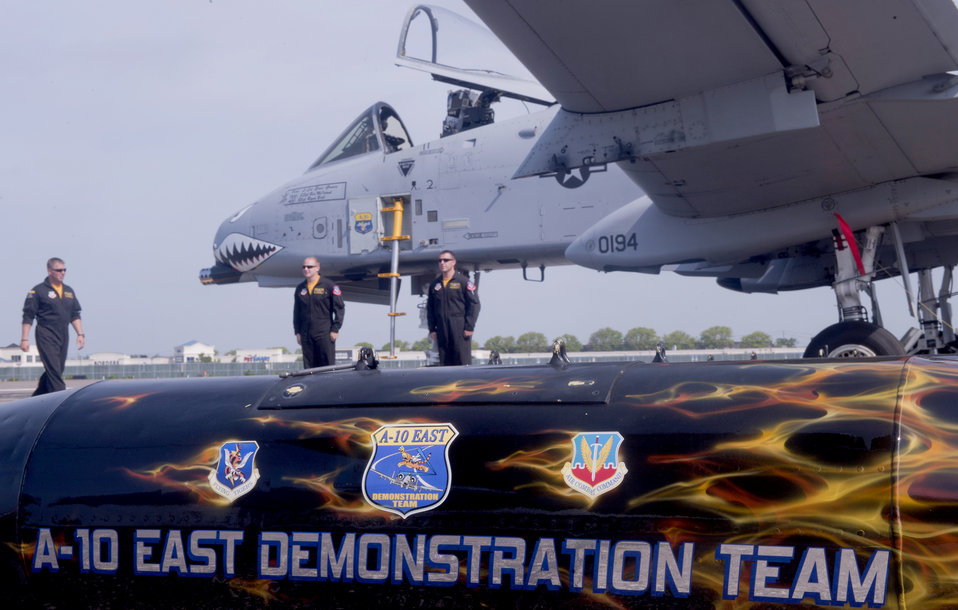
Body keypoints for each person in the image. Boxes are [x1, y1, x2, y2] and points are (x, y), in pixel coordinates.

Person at [21, 257, 84, 396]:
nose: (62, 273)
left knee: (56, 369)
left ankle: (36, 399)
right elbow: (28, 315)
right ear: (50, 271)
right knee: (54, 371)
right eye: (59, 270)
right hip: (46, 335)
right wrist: (24, 339)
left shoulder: (68, 291)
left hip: (63, 334)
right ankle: (61, 400)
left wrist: (80, 334)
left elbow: (74, 314)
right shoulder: (38, 291)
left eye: (64, 270)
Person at [427, 250, 480, 365]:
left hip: (459, 327)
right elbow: (430, 308)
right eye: (440, 260)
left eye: (446, 260)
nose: (442, 263)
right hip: (441, 328)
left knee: (461, 359)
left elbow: (474, 304)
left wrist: (469, 326)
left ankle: (465, 382)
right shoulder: (435, 284)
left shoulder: (463, 282)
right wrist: (432, 329)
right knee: (445, 361)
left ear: (453, 262)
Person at [293, 257, 345, 368]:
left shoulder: (329, 285)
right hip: (306, 334)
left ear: (317, 268)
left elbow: (340, 308)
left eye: (309, 267)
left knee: (327, 367)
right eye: (304, 267)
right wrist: (297, 332)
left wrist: (335, 329)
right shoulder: (300, 288)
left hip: (324, 333)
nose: (306, 269)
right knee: (309, 369)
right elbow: (296, 312)